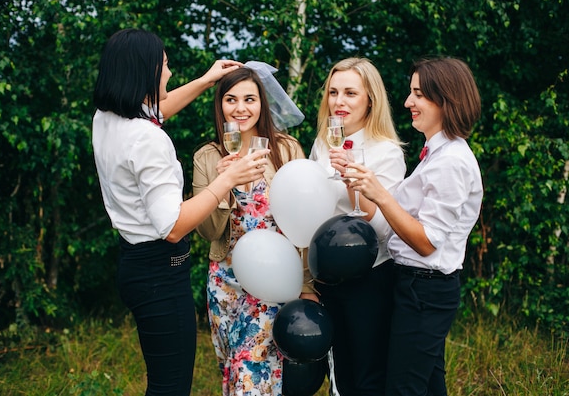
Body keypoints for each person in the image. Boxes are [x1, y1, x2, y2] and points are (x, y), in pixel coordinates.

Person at [91, 28, 269, 396]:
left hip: (135, 265)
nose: (170, 74)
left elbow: (156, 112)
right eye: (165, 66)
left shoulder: (107, 118)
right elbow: (172, 226)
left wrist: (207, 80)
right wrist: (227, 180)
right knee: (170, 387)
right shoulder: (148, 140)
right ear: (146, 72)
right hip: (160, 274)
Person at [347, 57, 483, 395]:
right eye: (411, 93)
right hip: (413, 286)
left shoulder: (452, 162)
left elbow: (426, 242)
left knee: (403, 388)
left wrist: (380, 193)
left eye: (418, 94)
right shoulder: (438, 153)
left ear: (445, 100)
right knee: (430, 385)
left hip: (426, 290)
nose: (408, 102)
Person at [192, 63, 305, 396]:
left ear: (262, 103)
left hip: (274, 282)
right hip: (226, 283)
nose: (240, 108)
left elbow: (305, 225)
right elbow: (208, 230)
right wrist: (224, 183)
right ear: (220, 105)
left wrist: (308, 283)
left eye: (249, 99)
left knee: (248, 368)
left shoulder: (286, 150)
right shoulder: (208, 156)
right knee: (233, 370)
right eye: (231, 99)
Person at [307, 57, 406, 395]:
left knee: (368, 374)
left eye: (350, 93)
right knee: (338, 373)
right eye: (334, 92)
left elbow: (382, 230)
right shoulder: (322, 144)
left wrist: (353, 179)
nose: (339, 101)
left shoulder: (387, 152)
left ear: (370, 100)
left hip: (369, 278)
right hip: (326, 275)